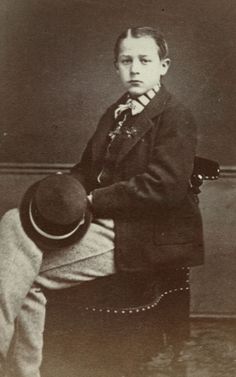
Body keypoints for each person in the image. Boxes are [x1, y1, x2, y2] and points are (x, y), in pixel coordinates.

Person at [0, 26, 204, 377]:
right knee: (12, 223)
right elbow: (85, 168)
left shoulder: (175, 116)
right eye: (126, 61)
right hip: (102, 223)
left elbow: (164, 186)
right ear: (116, 66)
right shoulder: (115, 112)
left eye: (144, 60)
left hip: (145, 233)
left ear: (164, 65)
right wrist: (60, 194)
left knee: (21, 274)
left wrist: (91, 200)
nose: (135, 69)